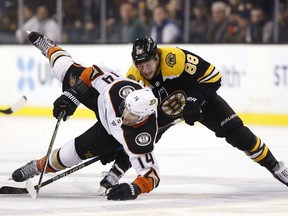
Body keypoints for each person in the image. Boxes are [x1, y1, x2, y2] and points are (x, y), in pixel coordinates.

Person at [97, 35, 288, 194]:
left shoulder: (174, 58)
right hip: (163, 110)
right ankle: (115, 172)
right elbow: (128, 115)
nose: (145, 70)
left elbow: (214, 76)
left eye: (148, 64)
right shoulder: (134, 77)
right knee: (141, 135)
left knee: (238, 133)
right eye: (140, 65)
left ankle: (276, 168)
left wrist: (194, 100)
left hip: (200, 100)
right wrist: (118, 142)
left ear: (156, 57)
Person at [11, 31, 160, 201]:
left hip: (108, 133)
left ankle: (36, 166)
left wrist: (135, 189)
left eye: (132, 115)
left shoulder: (142, 137)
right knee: (65, 71)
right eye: (127, 108)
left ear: (142, 118)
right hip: (100, 97)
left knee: (69, 155)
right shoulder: (119, 91)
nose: (125, 115)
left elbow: (152, 175)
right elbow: (93, 72)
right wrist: (73, 95)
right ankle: (50, 48)